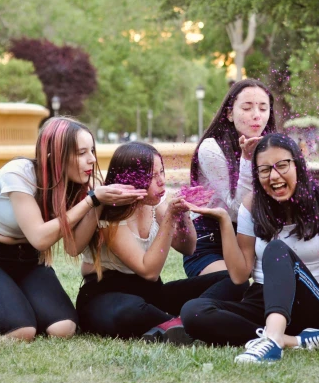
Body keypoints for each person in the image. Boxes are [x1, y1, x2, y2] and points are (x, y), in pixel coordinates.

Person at [0, 117, 145, 341]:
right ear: (54, 156)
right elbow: (40, 238)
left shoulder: (78, 183)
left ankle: (15, 300)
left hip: (29, 261)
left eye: (92, 151)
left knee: (63, 328)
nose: (92, 159)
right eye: (81, 152)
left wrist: (100, 203)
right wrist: (91, 201)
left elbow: (73, 247)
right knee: (21, 331)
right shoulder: (18, 174)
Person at [180, 134, 319, 363]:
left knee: (276, 249)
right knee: (193, 312)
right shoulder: (251, 204)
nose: (274, 176)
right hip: (264, 298)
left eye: (282, 165)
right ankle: (290, 340)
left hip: (311, 302)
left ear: (298, 164)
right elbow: (240, 276)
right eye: (265, 169)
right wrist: (223, 221)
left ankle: (271, 342)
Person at [77, 142, 233, 343]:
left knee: (232, 280)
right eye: (151, 176)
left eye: (162, 172)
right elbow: (149, 271)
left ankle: (183, 321)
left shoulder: (156, 203)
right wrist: (169, 217)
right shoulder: (111, 214)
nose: (161, 182)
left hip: (151, 294)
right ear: (130, 179)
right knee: (131, 311)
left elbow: (188, 247)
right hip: (107, 294)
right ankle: (184, 323)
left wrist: (183, 213)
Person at [182, 79, 277, 302]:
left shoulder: (273, 147)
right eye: (247, 107)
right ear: (229, 114)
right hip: (212, 241)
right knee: (235, 285)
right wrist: (246, 159)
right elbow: (236, 210)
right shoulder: (211, 147)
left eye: (263, 108)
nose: (257, 115)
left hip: (255, 241)